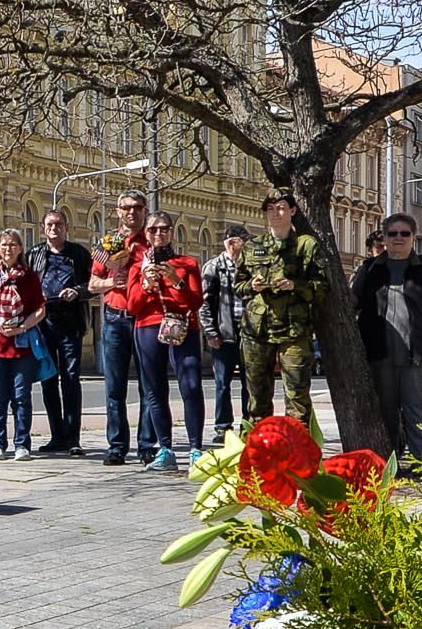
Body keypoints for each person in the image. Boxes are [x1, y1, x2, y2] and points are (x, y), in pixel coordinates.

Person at [351, 213, 422, 460]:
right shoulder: (370, 268)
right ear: (384, 238)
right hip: (379, 354)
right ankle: (390, 465)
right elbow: (352, 302)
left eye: (404, 233)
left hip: (420, 355)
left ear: (413, 238)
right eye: (392, 233)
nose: (398, 238)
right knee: (386, 414)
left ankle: (421, 464)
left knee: (419, 412)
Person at [237, 189, 332, 436]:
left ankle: (299, 452)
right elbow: (238, 285)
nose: (275, 213)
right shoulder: (252, 247)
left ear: (292, 211)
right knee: (257, 396)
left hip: (294, 329)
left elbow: (323, 287)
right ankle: (256, 452)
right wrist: (252, 286)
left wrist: (295, 285)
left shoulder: (306, 245)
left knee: (298, 396)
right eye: (270, 208)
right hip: (257, 329)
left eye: (280, 207)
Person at [129, 211, 206, 470]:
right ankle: (165, 449)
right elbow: (132, 306)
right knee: (155, 389)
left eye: (164, 229)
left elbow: (196, 301)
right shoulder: (138, 267)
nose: (159, 234)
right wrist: (146, 285)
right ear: (146, 235)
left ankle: (196, 448)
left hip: (182, 326)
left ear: (171, 232)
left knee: (191, 385)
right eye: (153, 230)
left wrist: (176, 280)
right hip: (149, 328)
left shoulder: (187, 263)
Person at [90, 190, 154, 464]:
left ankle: (146, 445)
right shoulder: (109, 244)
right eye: (126, 208)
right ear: (118, 212)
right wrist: (112, 283)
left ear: (145, 210)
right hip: (115, 319)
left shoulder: (150, 243)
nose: (131, 212)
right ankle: (117, 446)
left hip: (143, 319)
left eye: (137, 207)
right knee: (114, 388)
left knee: (147, 387)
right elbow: (92, 284)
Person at [0, 227, 46, 459]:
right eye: (4, 244)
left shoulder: (29, 276)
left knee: (21, 395)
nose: (8, 248)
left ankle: (22, 444)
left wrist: (23, 326)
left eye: (13, 244)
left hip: (22, 344)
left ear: (21, 249)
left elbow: (40, 309)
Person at [28, 208, 93, 455]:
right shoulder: (35, 254)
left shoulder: (78, 254)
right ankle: (57, 436)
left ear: (66, 228)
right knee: (48, 380)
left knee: (70, 379)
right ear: (43, 228)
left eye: (59, 225)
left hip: (70, 323)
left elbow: (93, 284)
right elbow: (25, 282)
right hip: (44, 323)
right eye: (50, 225)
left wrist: (77, 291)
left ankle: (73, 438)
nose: (54, 229)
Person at [200, 224, 249, 445]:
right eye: (239, 242)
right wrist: (210, 332)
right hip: (223, 332)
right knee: (222, 383)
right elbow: (204, 303)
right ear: (229, 243)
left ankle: (249, 425)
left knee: (251, 383)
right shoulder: (214, 267)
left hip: (249, 333)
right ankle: (223, 427)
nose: (242, 246)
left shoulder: (250, 266)